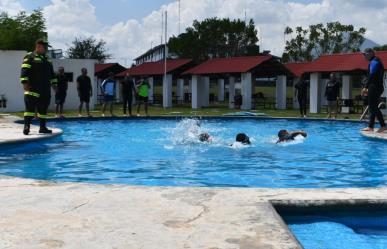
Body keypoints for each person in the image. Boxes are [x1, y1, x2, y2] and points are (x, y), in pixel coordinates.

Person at [20, 38, 58, 135]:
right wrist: (24, 82)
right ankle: (27, 126)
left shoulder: (47, 59)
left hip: (45, 89)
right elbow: (24, 70)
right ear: (38, 46)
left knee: (43, 109)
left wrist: (54, 85)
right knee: (30, 109)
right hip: (32, 88)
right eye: (44, 47)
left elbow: (52, 74)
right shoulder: (30, 56)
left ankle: (42, 128)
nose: (46, 49)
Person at [362, 48, 386, 133]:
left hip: (374, 87)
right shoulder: (376, 61)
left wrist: (366, 86)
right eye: (364, 54)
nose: (364, 56)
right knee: (373, 106)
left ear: (371, 53)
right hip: (378, 87)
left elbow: (372, 75)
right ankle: (371, 126)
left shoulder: (374, 61)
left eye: (365, 54)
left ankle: (383, 125)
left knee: (373, 106)